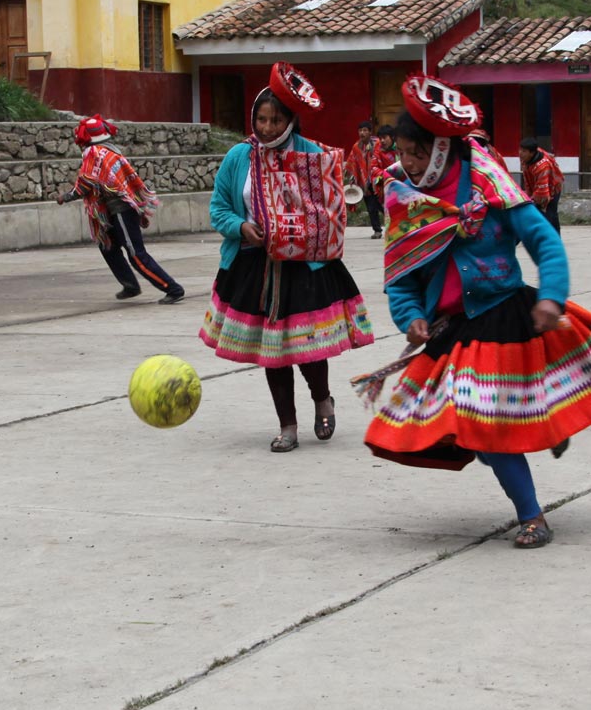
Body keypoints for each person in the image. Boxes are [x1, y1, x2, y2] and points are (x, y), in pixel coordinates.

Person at [361, 74, 591, 548]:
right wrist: (411, 317)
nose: (406, 162)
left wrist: (551, 296)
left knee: (485, 429)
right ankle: (538, 434)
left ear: (442, 149)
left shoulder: (487, 182)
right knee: (477, 434)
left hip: (505, 317)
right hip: (454, 331)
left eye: (416, 153)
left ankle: (533, 518)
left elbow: (544, 240)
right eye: (402, 152)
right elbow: (400, 277)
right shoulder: (405, 199)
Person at [200, 62, 374, 452]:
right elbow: (218, 209)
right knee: (273, 352)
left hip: (304, 268)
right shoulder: (238, 158)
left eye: (275, 120)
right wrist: (241, 227)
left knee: (307, 345)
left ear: (291, 120)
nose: (266, 128)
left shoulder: (314, 157)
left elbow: (331, 210)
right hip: (254, 266)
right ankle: (287, 425)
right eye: (260, 119)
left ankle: (322, 398)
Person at [56, 114, 185, 303]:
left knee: (136, 254)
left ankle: (173, 289)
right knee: (107, 246)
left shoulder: (95, 153)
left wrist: (66, 196)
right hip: (113, 211)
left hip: (121, 209)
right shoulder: (109, 151)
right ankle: (130, 285)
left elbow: (86, 182)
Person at [519, 136, 563, 234]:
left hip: (553, 187)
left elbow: (542, 194)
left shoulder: (542, 166)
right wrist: (529, 195)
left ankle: (554, 239)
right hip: (538, 186)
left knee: (549, 214)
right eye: (520, 150)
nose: (520, 153)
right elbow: (527, 178)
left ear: (532, 153)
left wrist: (532, 200)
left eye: (524, 151)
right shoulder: (525, 158)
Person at [346, 120, 382, 238]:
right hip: (365, 182)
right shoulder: (356, 147)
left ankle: (395, 226)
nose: (362, 133)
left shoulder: (377, 143)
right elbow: (353, 163)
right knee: (371, 207)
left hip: (378, 179)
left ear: (370, 132)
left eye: (365, 130)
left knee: (382, 205)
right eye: (360, 130)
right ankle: (377, 230)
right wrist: (352, 178)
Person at [371, 124, 396, 205]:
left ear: (392, 137)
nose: (382, 141)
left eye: (384, 137)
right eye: (380, 138)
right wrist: (386, 174)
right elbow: (373, 168)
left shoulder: (400, 149)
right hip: (386, 183)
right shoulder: (378, 151)